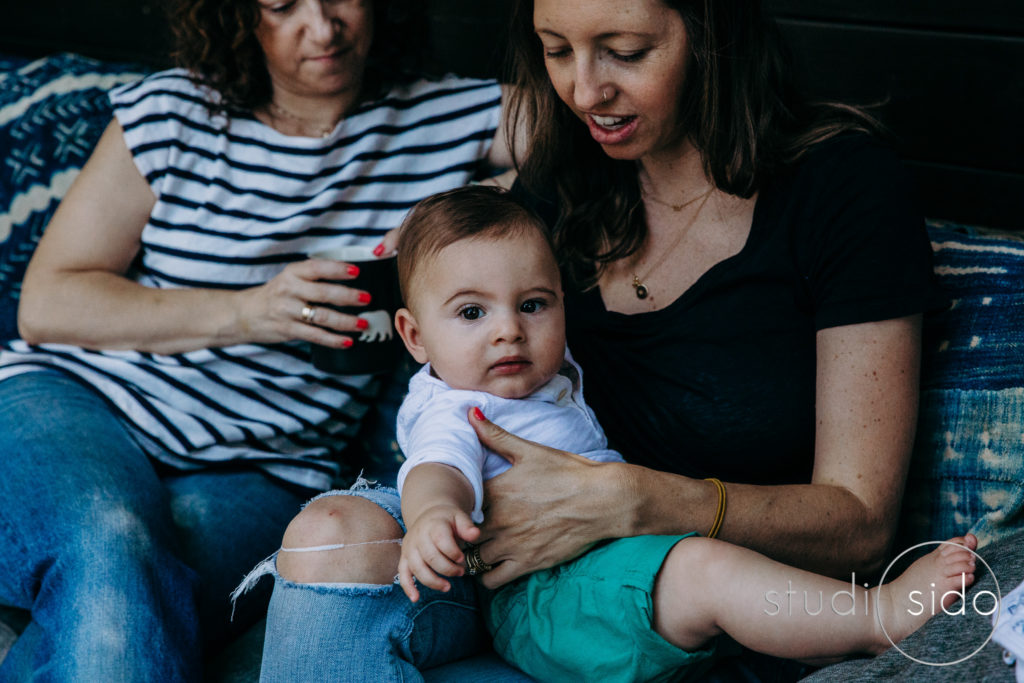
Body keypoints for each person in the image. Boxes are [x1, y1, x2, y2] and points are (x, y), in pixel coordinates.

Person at [261, 0, 941, 679]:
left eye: (626, 50)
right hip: (498, 567)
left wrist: (634, 498)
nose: (585, 92)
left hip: (666, 585)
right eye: (557, 50)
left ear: (713, 33)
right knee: (328, 536)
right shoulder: (566, 179)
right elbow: (449, 329)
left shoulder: (842, 189)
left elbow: (860, 524)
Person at [0, 0, 510, 679]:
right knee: (113, 540)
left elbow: (596, 132)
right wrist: (249, 312)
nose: (323, 27)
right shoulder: (173, 111)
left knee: (127, 588)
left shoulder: (454, 116)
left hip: (269, 468)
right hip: (77, 403)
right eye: (283, 5)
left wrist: (479, 203)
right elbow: (46, 300)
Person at [390, 186, 979, 683]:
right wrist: (432, 516)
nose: (508, 331)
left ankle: (821, 635)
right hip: (546, 597)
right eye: (471, 313)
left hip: (600, 575)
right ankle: (880, 619)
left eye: (534, 304)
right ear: (415, 337)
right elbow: (436, 468)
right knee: (701, 569)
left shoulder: (543, 375)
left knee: (719, 568)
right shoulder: (457, 407)